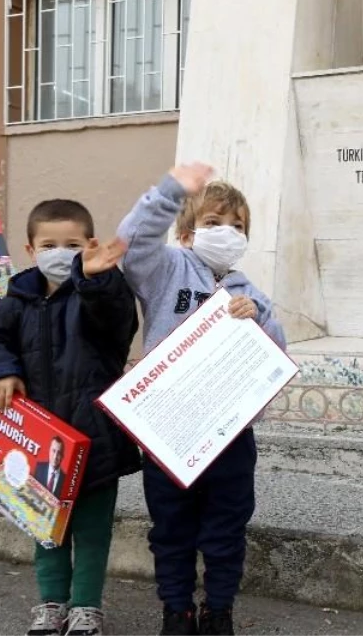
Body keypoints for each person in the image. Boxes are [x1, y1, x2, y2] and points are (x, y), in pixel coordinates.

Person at [118, 163, 287, 636]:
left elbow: (275, 359)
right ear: (188, 232)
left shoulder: (250, 292)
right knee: (171, 530)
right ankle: (177, 610)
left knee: (226, 530)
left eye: (238, 226)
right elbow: (133, 242)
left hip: (230, 436)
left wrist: (259, 322)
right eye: (214, 223)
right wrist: (171, 191)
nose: (227, 234)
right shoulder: (166, 269)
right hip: (168, 430)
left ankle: (218, 611)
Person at [0, 198, 141, 636]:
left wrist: (97, 279)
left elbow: (118, 321)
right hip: (34, 440)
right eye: (49, 243)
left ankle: (86, 608)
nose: (59, 252)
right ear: (30, 249)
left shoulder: (100, 288)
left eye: (71, 244)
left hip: (94, 436)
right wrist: (2, 370)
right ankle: (51, 604)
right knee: (45, 527)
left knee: (91, 530)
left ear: (88, 244)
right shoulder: (17, 295)